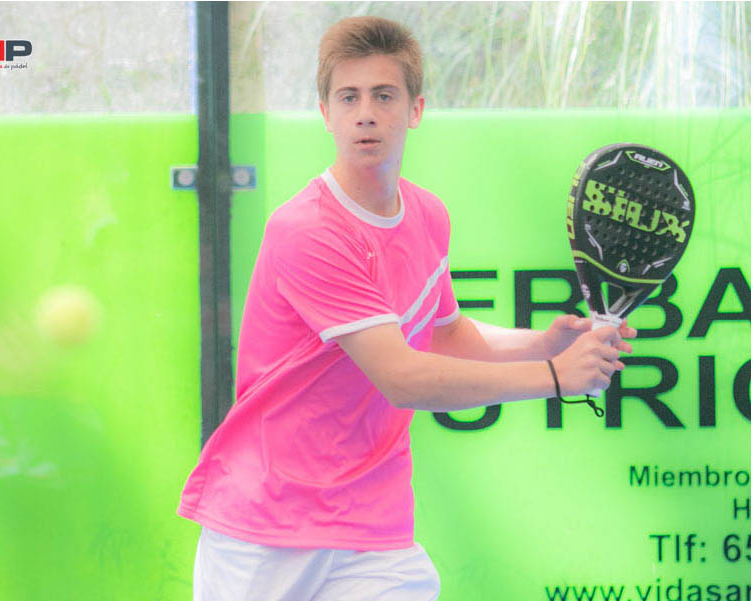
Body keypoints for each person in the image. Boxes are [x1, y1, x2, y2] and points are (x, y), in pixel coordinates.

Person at [178, 16, 635, 601]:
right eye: (349, 97)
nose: (365, 113)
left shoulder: (427, 215)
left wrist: (541, 345)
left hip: (373, 526)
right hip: (269, 525)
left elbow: (444, 335)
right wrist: (553, 376)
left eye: (384, 95)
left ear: (415, 109)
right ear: (326, 113)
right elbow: (402, 377)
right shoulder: (307, 230)